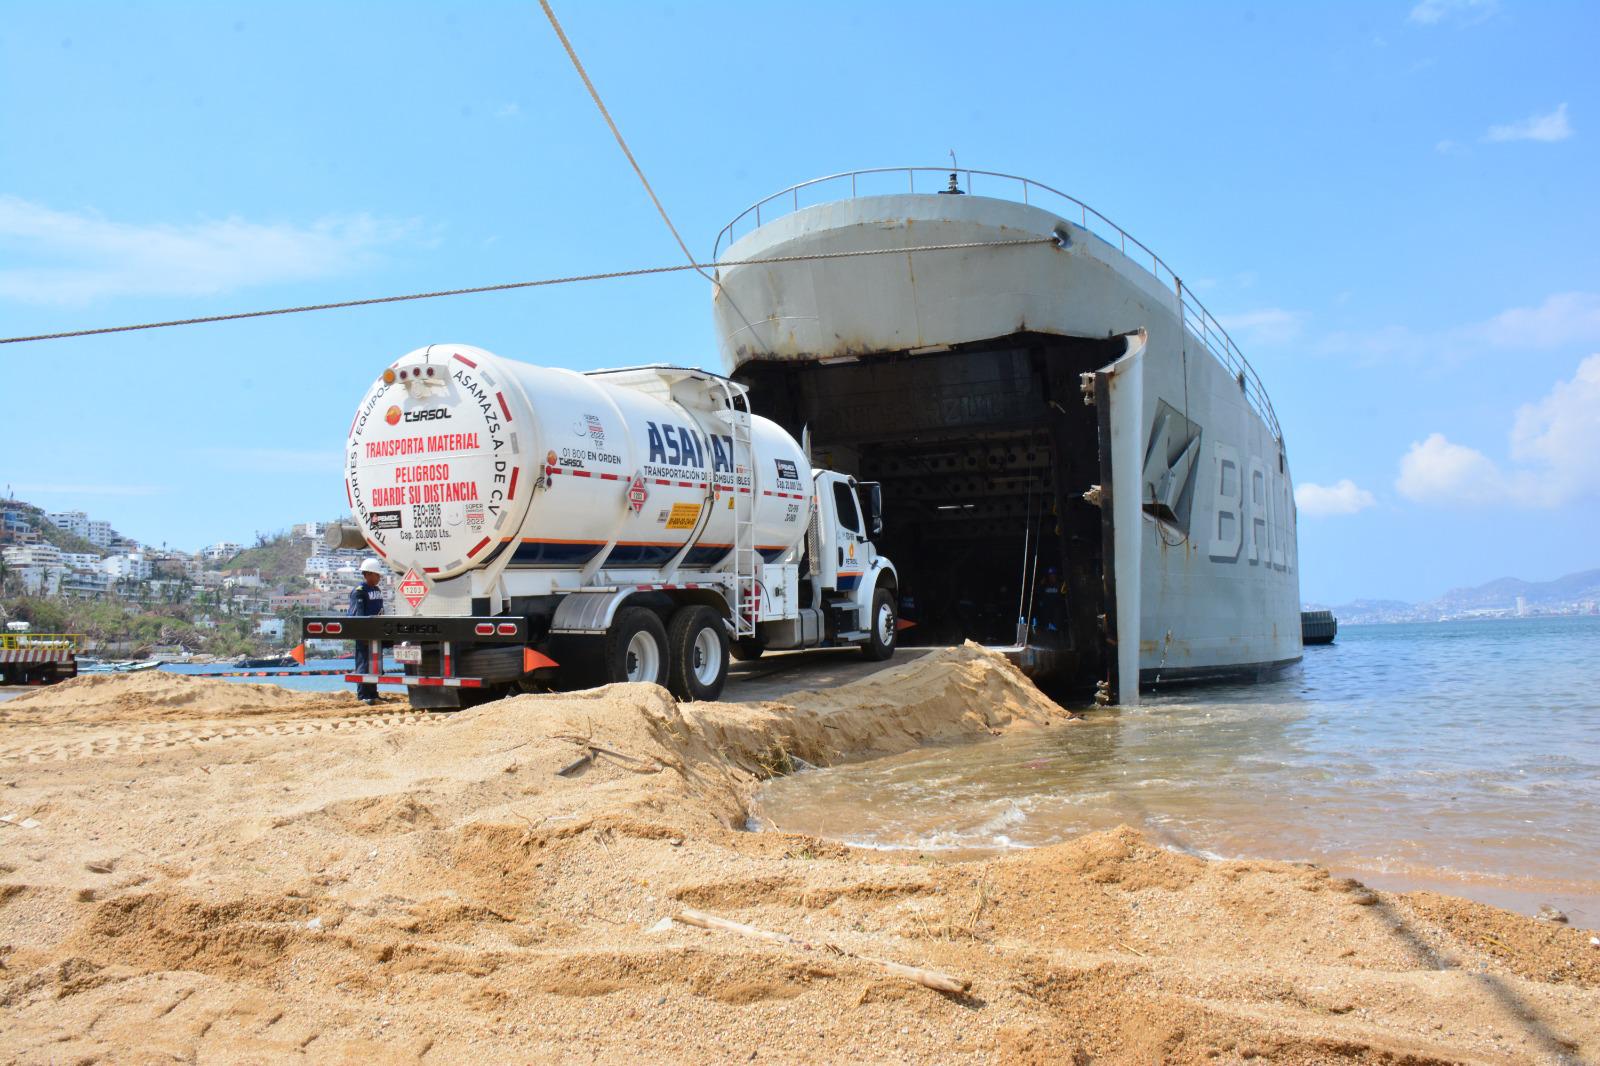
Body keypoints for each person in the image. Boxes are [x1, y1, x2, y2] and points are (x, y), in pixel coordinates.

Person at [349, 558, 386, 704]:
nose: (379, 578)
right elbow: (359, 615)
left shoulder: (376, 590)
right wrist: (363, 633)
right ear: (368, 574)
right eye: (377, 575)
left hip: (376, 634)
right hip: (364, 635)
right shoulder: (360, 591)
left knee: (374, 664)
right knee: (363, 663)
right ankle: (363, 695)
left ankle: (373, 693)